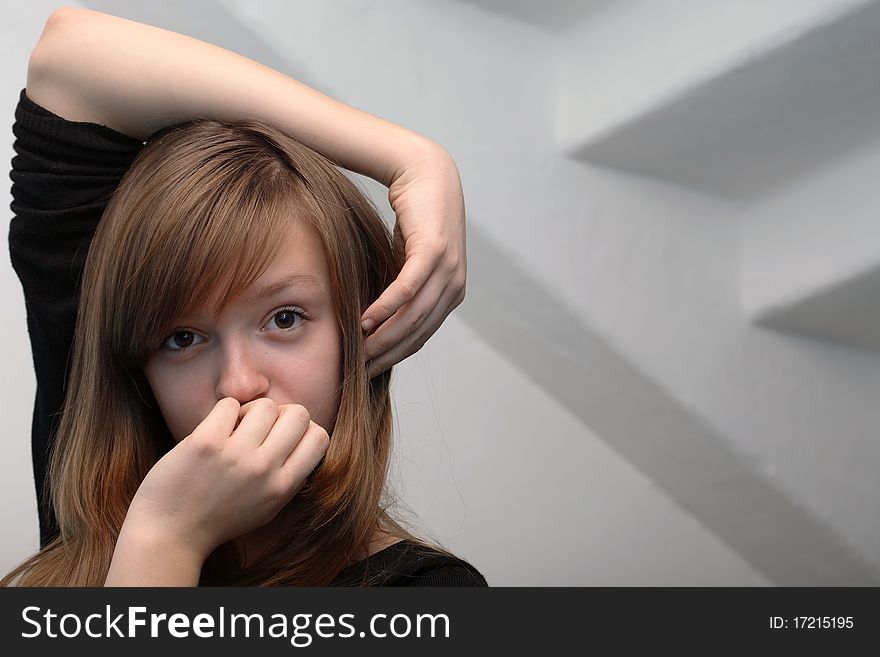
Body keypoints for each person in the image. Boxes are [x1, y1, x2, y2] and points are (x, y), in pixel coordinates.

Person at [3, 7, 483, 587]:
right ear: (136, 369)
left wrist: (166, 539)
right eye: (182, 338)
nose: (237, 385)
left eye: (284, 318)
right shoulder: (98, 478)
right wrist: (411, 159)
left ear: (358, 326)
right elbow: (70, 58)